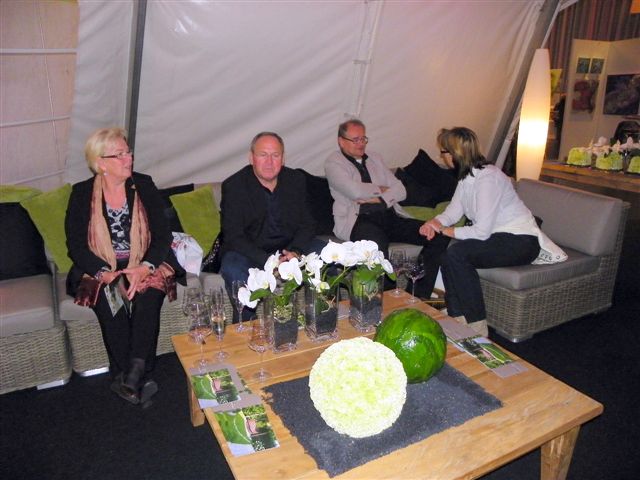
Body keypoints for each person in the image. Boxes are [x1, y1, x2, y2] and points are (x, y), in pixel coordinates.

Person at [65, 127, 185, 405]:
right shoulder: (82, 193)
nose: (128, 158)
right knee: (108, 303)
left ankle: (130, 377)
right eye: (119, 155)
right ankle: (137, 377)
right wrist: (104, 273)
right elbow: (76, 245)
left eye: (128, 152)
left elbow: (162, 235)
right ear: (101, 163)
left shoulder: (143, 184)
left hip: (143, 262)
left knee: (149, 298)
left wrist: (145, 267)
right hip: (100, 266)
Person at [419, 127, 542, 336]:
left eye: (443, 152)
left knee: (456, 253)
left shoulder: (488, 178)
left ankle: (477, 325)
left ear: (455, 154)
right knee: (448, 254)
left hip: (521, 241)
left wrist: (445, 231)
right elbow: (453, 212)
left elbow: (482, 231)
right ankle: (456, 318)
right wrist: (434, 223)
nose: (442, 156)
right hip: (497, 238)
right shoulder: (467, 178)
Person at [324, 118, 449, 297]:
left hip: (390, 216)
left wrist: (380, 200)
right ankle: (387, 299)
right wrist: (381, 189)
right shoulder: (333, 163)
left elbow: (401, 190)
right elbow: (354, 191)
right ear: (341, 141)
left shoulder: (375, 158)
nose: (361, 144)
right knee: (376, 246)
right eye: (355, 140)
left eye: (363, 139)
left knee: (437, 234)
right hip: (359, 220)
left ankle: (417, 295)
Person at [219, 132, 320, 321]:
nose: (269, 162)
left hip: (289, 249)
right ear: (251, 158)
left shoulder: (296, 180)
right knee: (232, 267)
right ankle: (245, 326)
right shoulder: (234, 186)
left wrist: (295, 252)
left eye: (275, 155)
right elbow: (233, 236)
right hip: (251, 253)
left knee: (325, 252)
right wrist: (270, 262)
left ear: (283, 158)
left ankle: (320, 316)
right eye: (263, 155)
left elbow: (308, 224)